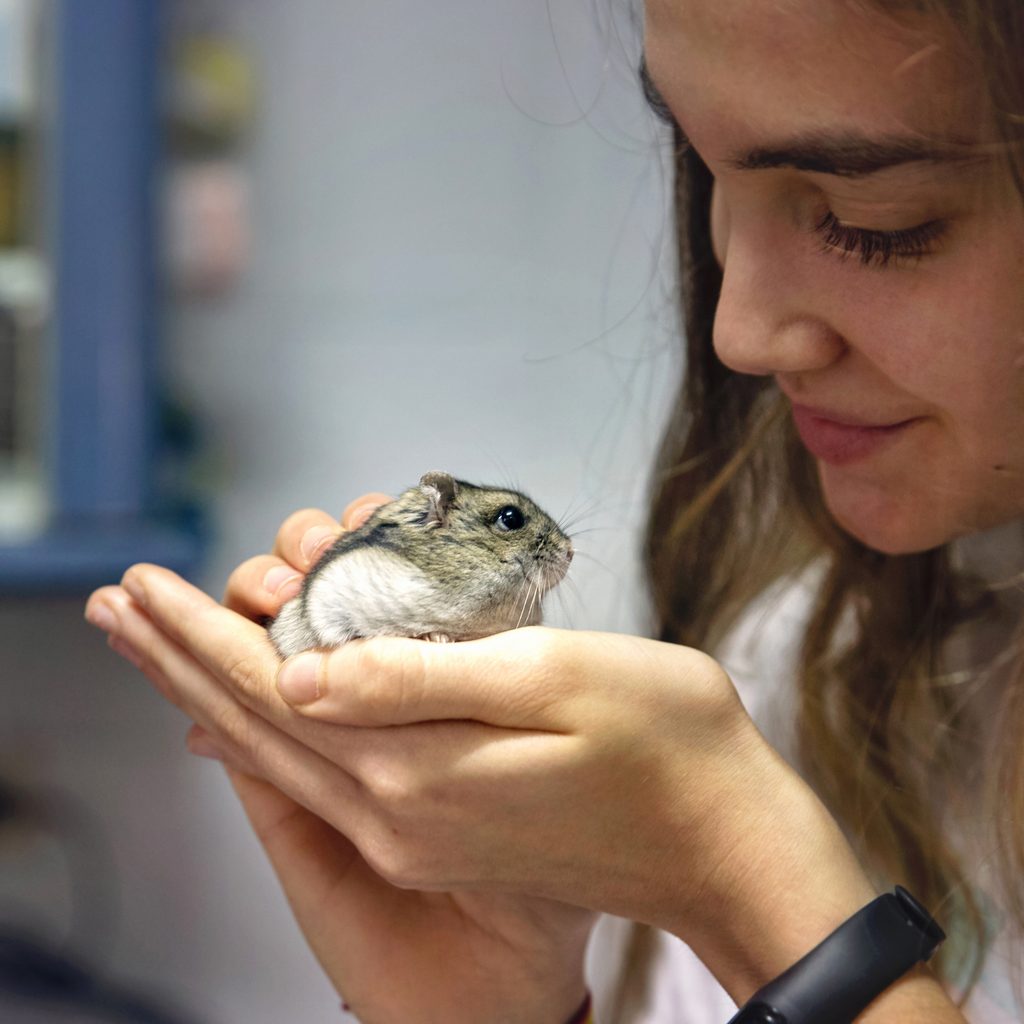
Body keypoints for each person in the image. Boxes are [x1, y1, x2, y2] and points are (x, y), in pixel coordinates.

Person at [84, 0, 1024, 1020]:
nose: (737, 333)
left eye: (874, 222)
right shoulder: (800, 664)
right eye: (706, 170)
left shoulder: (726, 774)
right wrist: (498, 1006)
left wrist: (741, 876)